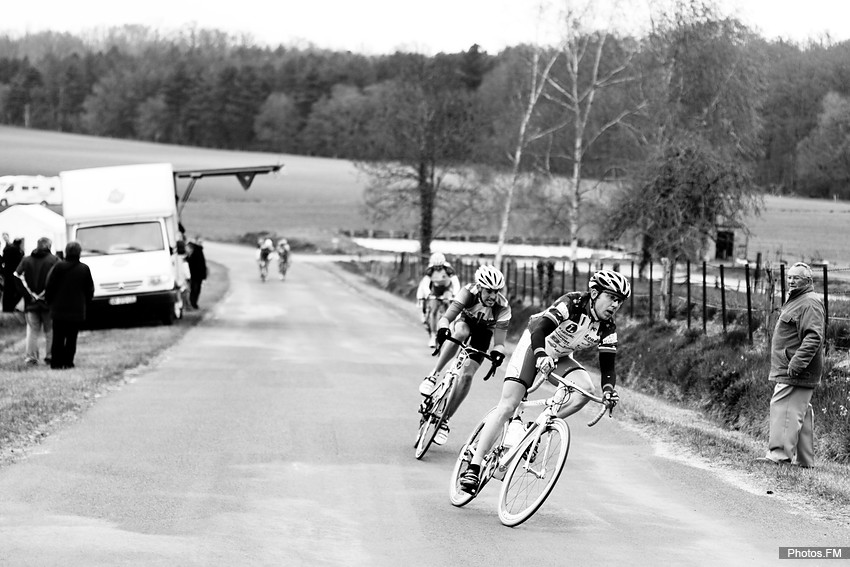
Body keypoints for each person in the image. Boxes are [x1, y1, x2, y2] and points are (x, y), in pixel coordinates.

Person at [458, 269, 629, 493]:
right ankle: (475, 465)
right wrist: (541, 355)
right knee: (509, 405)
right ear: (595, 293)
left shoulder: (608, 327)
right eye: (612, 298)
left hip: (560, 356)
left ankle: (535, 428)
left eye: (620, 301)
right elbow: (540, 330)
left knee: (584, 390)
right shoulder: (572, 303)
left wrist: (608, 391)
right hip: (534, 345)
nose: (616, 305)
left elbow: (608, 365)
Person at [418, 265, 510, 446]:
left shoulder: (502, 307)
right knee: (459, 332)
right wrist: (443, 328)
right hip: (465, 323)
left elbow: (499, 343)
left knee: (467, 376)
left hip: (484, 334)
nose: (493, 296)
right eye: (489, 291)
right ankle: (433, 375)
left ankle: (445, 420)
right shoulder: (468, 292)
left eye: (496, 291)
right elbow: (447, 317)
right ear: (480, 287)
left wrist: (498, 354)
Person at [755, 262, 824, 468]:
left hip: (796, 370)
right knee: (799, 411)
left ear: (808, 281)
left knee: (784, 408)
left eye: (797, 278)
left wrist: (796, 363)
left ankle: (779, 456)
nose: (792, 281)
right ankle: (805, 460)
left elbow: (814, 337)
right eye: (790, 277)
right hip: (792, 368)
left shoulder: (809, 303)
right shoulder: (798, 300)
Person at [44, 241, 94, 369]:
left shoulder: (58, 267)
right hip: (76, 309)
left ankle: (56, 362)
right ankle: (68, 362)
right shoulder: (84, 268)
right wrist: (85, 303)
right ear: (79, 253)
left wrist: (49, 302)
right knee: (72, 337)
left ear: (66, 252)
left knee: (58, 337)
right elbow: (89, 289)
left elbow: (50, 287)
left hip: (58, 309)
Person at [15, 237, 59, 365]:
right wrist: (48, 295)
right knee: (50, 330)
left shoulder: (26, 260)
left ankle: (31, 357)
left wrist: (28, 295)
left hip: (31, 303)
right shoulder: (54, 260)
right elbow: (57, 279)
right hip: (48, 303)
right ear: (48, 246)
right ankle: (50, 355)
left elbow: (16, 276)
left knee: (32, 331)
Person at [415, 252, 461, 348]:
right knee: (433, 311)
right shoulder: (430, 270)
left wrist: (454, 294)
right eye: (436, 267)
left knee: (449, 306)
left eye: (440, 266)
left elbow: (456, 283)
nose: (438, 268)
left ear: (443, 264)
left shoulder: (448, 269)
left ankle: (450, 327)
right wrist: (428, 294)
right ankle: (432, 335)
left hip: (446, 289)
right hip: (435, 290)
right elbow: (425, 284)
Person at [2, 234, 24, 313]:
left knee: (8, 291)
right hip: (15, 274)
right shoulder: (18, 251)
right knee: (18, 291)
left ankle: (7, 307)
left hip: (8, 273)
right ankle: (11, 306)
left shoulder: (7, 249)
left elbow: (3, 260)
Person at [185, 239, 207, 309]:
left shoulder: (196, 253)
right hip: (197, 275)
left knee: (195, 289)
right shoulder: (197, 252)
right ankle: (193, 303)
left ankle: (193, 303)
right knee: (196, 290)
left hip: (196, 275)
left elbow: (198, 265)